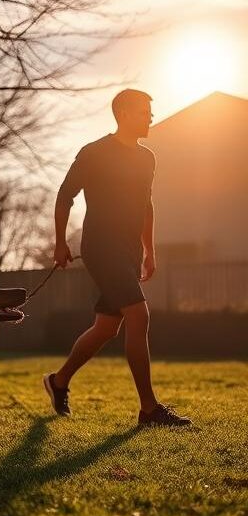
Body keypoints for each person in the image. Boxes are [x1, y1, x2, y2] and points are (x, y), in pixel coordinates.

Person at [44, 89, 191, 426]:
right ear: (123, 113)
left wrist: (149, 250)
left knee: (106, 328)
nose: (150, 117)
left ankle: (58, 381)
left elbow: (146, 204)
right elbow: (65, 195)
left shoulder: (147, 158)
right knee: (138, 315)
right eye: (144, 111)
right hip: (100, 246)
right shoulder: (94, 152)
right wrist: (59, 243)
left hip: (128, 251)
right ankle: (149, 409)